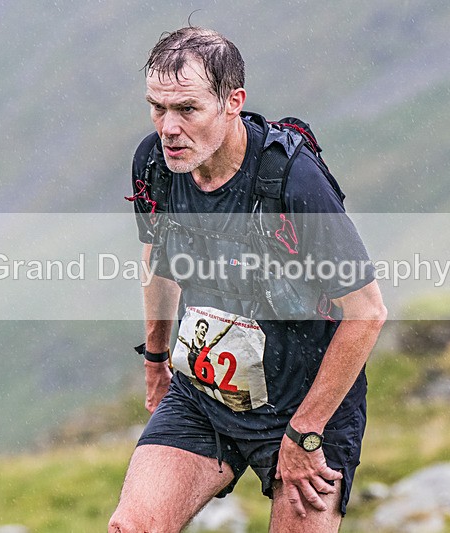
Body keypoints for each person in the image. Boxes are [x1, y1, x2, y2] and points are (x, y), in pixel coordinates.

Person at [109, 26, 386, 532]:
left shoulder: (292, 181)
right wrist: (154, 359)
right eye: (157, 107)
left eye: (187, 110)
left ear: (233, 102)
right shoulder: (153, 163)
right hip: (205, 393)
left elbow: (367, 313)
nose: (168, 127)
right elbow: (159, 262)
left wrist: (305, 433)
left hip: (304, 406)